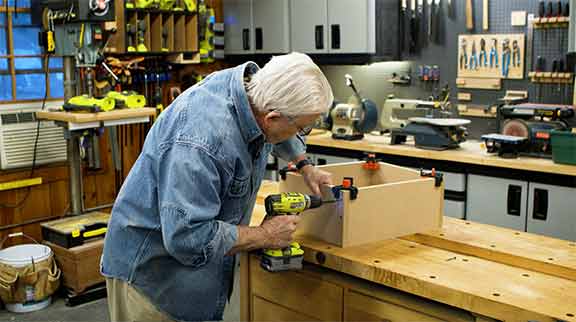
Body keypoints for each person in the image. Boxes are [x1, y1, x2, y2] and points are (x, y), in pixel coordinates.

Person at [101, 52, 334, 322]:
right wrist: (265, 235)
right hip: (152, 280)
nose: (300, 135)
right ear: (272, 117)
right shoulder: (202, 142)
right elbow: (187, 237)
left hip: (192, 279)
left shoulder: (252, 87)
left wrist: (305, 165)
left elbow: (279, 127)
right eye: (303, 128)